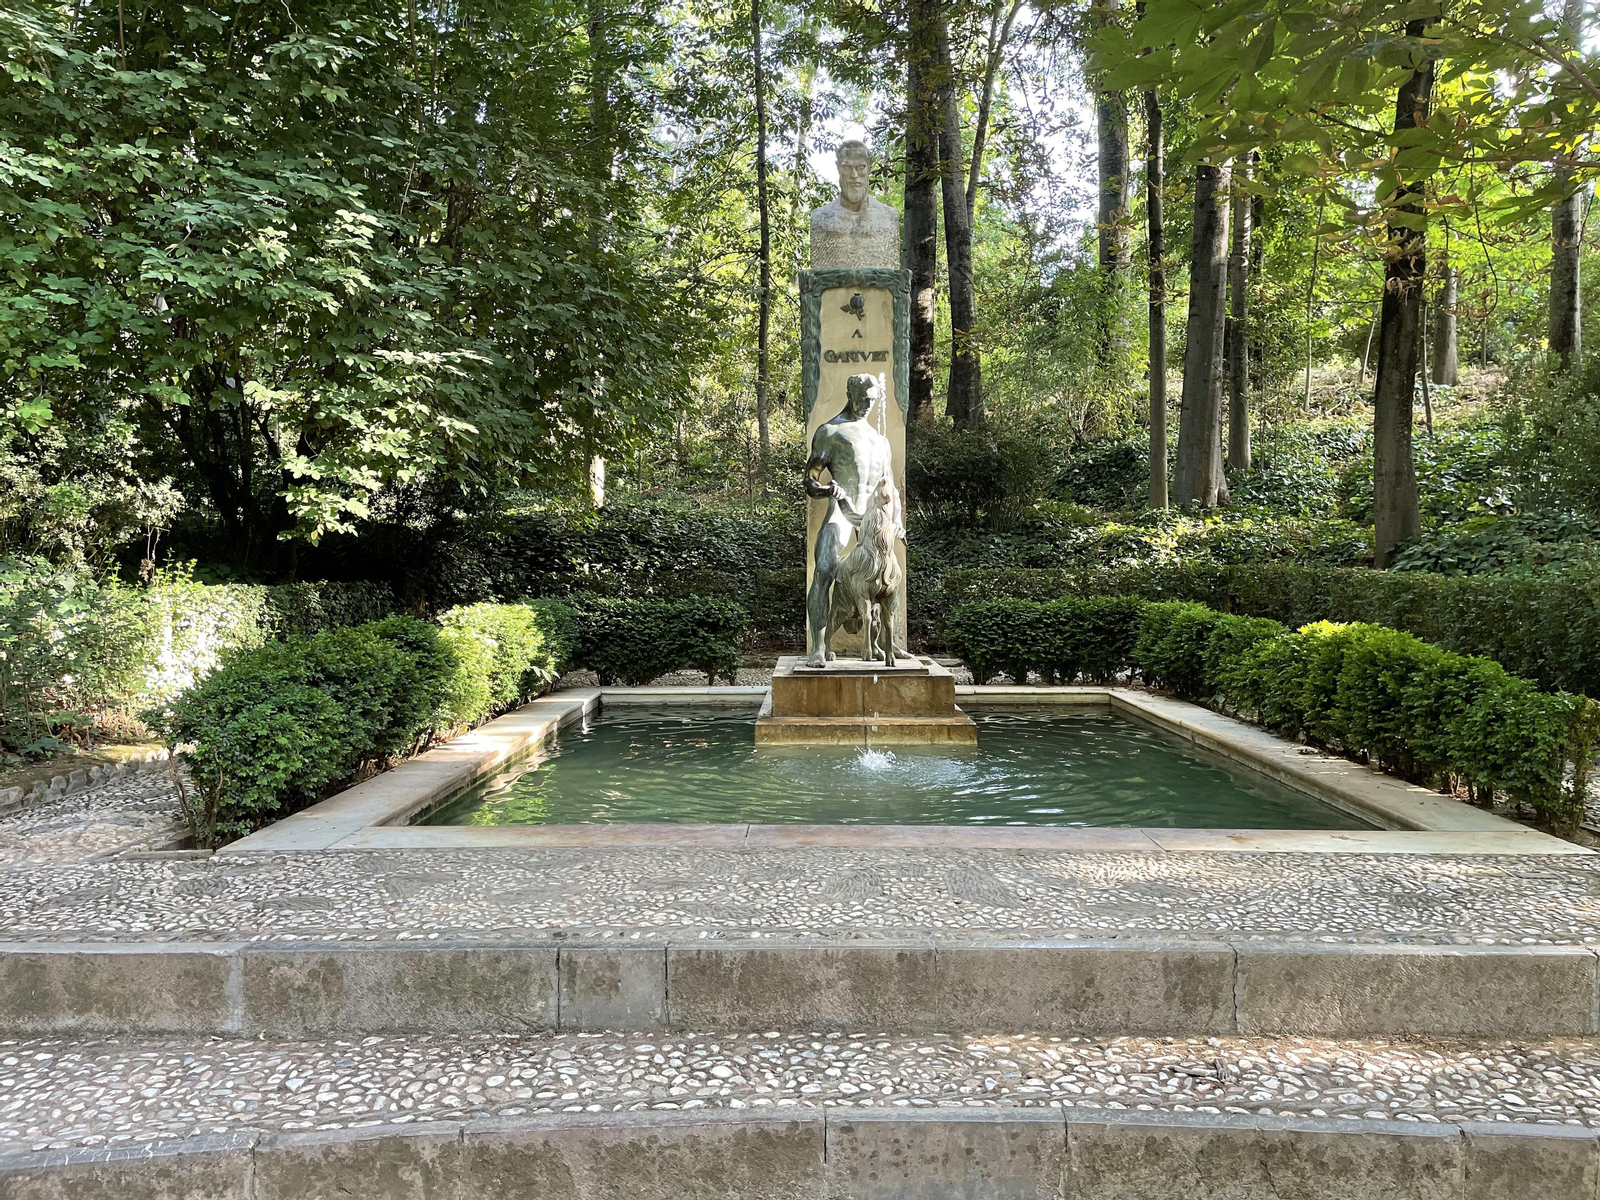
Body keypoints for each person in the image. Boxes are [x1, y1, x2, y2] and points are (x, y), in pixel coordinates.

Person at [804, 373, 899, 666]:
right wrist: (825, 489)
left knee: (884, 579)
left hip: (872, 519)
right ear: (850, 393)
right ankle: (818, 648)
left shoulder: (880, 440)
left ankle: (882, 646)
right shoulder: (831, 432)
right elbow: (810, 479)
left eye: (872, 400)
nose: (868, 405)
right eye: (863, 399)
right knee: (824, 569)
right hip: (842, 510)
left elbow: (890, 488)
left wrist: (895, 524)